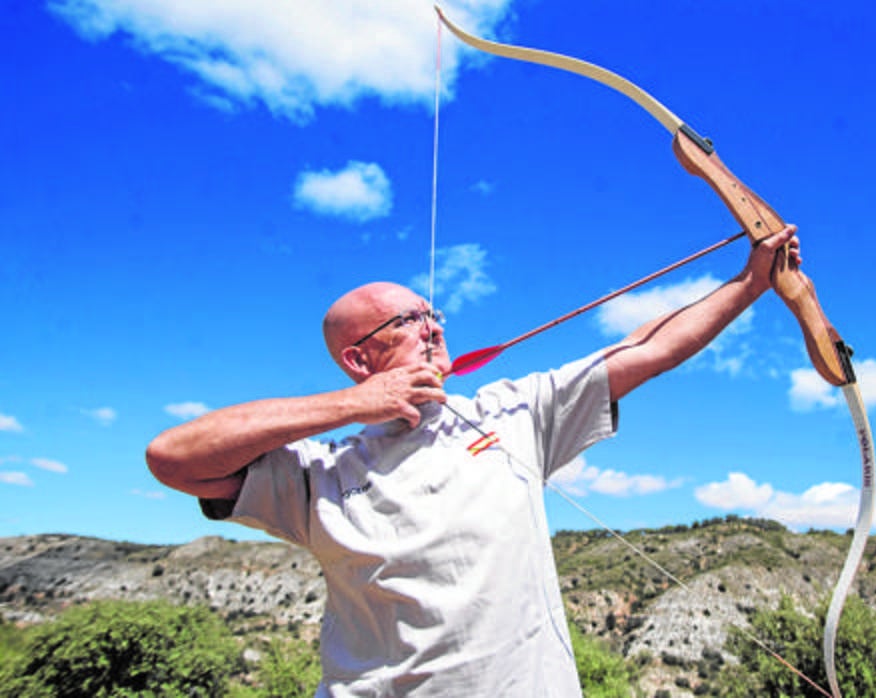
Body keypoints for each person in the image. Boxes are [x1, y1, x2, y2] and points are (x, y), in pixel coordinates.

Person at [147, 226, 800, 696]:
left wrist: (752, 281)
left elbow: (643, 352)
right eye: (408, 321)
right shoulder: (316, 472)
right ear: (357, 357)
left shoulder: (510, 410)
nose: (434, 327)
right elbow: (172, 457)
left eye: (434, 315)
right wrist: (354, 404)